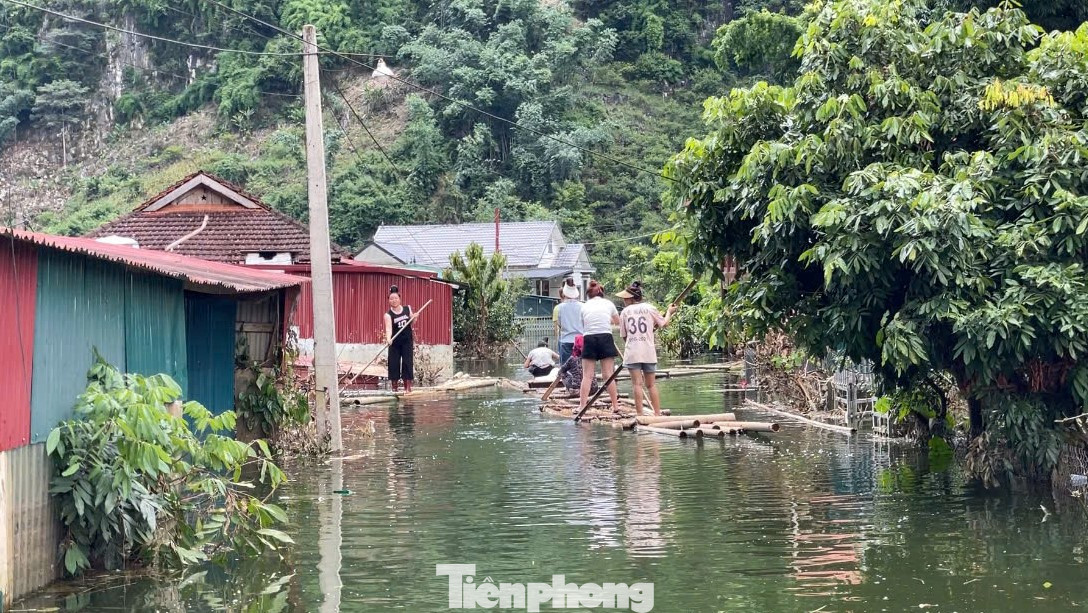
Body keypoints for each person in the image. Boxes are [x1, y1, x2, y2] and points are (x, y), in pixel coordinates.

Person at [616, 281, 677, 416]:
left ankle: (640, 415)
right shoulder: (650, 308)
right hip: (648, 351)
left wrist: (633, 341)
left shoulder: (625, 312)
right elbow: (664, 324)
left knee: (637, 385)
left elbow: (624, 336)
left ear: (631, 298)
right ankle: (657, 413)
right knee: (651, 384)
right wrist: (669, 312)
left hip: (632, 352)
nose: (624, 301)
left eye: (626, 298)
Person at [580, 279, 621, 412]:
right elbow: (617, 321)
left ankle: (582, 406)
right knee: (608, 374)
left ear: (589, 295)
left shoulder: (584, 306)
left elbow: (584, 324)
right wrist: (607, 320)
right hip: (605, 337)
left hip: (589, 337)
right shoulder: (609, 304)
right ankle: (615, 406)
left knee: (587, 375)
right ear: (602, 294)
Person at [384, 285, 416, 393]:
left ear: (399, 298)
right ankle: (394, 387)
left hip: (407, 341)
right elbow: (388, 329)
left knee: (407, 362)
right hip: (395, 342)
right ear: (389, 300)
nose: (394, 300)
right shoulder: (388, 315)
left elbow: (411, 323)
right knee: (394, 363)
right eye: (391, 299)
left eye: (396, 298)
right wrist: (389, 339)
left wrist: (414, 317)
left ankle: (407, 387)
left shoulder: (407, 308)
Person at [554, 279, 583, 365]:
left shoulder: (559, 307)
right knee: (580, 368)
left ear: (564, 293)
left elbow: (558, 324)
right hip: (580, 341)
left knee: (566, 370)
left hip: (566, 340)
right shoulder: (583, 306)